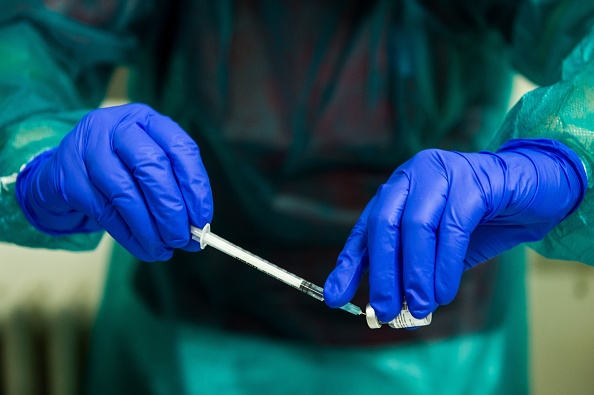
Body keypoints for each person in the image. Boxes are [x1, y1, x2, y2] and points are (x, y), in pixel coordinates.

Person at [1, 0, 593, 393]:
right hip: (186, 343)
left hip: (448, 361)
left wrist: (570, 154)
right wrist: (36, 161)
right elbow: (25, 46)